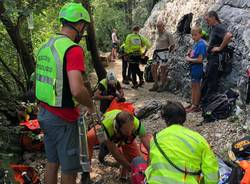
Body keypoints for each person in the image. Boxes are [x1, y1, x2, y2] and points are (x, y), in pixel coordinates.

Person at [35, 3, 95, 183]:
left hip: (44, 114)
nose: (83, 31)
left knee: (52, 162)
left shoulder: (46, 46)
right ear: (79, 24)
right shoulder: (72, 49)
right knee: (69, 170)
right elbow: (77, 90)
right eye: (84, 26)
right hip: (63, 119)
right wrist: (91, 104)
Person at [145, 101, 219, 184]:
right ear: (184, 118)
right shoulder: (199, 140)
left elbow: (150, 168)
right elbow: (212, 175)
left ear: (165, 119)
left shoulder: (155, 139)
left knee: (138, 161)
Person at [87, 110, 150, 180]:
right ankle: (86, 171)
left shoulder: (137, 125)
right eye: (127, 131)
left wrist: (149, 166)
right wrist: (130, 168)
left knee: (135, 158)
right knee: (90, 138)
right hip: (108, 134)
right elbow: (115, 152)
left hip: (120, 134)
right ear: (117, 127)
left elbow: (149, 148)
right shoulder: (107, 128)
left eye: (131, 131)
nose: (129, 133)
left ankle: (123, 175)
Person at [201, 11, 233, 103]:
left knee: (212, 81)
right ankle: (204, 102)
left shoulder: (218, 27)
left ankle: (208, 104)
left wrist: (219, 48)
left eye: (208, 20)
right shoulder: (214, 28)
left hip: (216, 60)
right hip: (212, 59)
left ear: (213, 17)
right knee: (208, 79)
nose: (207, 22)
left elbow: (229, 35)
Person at [185, 26, 207, 112]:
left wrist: (189, 59)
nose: (193, 37)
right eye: (192, 35)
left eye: (195, 35)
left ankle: (195, 105)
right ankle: (193, 103)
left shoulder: (201, 44)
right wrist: (189, 54)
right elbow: (194, 55)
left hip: (198, 68)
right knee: (193, 86)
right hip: (193, 68)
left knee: (197, 86)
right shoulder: (196, 43)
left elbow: (200, 59)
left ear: (200, 35)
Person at [149, 20, 175, 92]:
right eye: (157, 26)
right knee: (153, 68)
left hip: (164, 52)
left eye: (160, 26)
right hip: (156, 52)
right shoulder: (157, 33)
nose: (158, 28)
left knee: (163, 70)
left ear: (163, 26)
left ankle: (162, 85)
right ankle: (156, 84)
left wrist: (168, 52)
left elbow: (172, 45)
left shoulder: (168, 34)